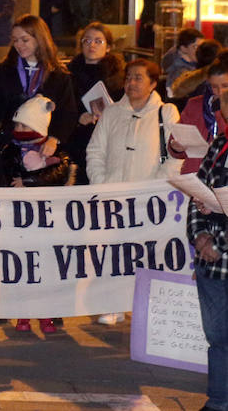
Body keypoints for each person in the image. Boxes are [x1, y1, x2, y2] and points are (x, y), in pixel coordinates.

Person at [85, 59, 181, 325]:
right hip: (113, 196)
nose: (131, 83)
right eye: (128, 77)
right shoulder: (112, 113)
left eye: (138, 78)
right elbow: (95, 151)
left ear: (152, 83)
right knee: (113, 251)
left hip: (150, 197)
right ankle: (113, 303)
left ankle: (144, 306)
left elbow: (175, 155)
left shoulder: (166, 113)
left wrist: (158, 185)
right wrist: (101, 183)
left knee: (148, 253)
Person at [0, 15, 78, 189]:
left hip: (43, 157)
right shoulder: (4, 71)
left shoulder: (58, 76)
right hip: (6, 153)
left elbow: (67, 114)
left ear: (40, 39)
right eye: (15, 40)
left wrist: (54, 139)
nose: (19, 45)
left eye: (24, 40)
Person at [0, 95, 75, 334]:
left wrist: (30, 181)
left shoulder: (56, 151)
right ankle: (22, 312)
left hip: (48, 219)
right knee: (23, 265)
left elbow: (60, 173)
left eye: (23, 125)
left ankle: (46, 313)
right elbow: (10, 174)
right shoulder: (10, 150)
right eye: (16, 125)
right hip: (21, 218)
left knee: (47, 266)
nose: (17, 129)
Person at [188, 83, 228, 411]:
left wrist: (219, 244)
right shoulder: (219, 144)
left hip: (220, 253)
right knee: (217, 337)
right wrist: (199, 237)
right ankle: (218, 400)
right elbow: (196, 190)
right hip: (211, 261)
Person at [67, 22, 126, 185]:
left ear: (108, 47)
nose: (92, 45)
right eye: (87, 40)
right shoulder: (69, 74)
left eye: (98, 41)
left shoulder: (119, 75)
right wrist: (79, 117)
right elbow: (64, 106)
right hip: (80, 139)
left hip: (109, 139)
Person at [179, 62, 228, 179]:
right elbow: (176, 146)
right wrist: (175, 147)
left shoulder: (223, 109)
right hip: (194, 174)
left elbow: (225, 136)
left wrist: (219, 111)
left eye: (225, 86)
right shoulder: (195, 104)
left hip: (221, 176)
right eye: (214, 86)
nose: (220, 91)